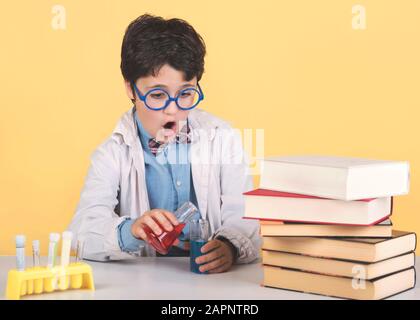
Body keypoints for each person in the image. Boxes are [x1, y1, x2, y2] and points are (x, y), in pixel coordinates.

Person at [68, 14, 260, 273]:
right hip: (142, 284)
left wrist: (229, 246)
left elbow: (246, 216)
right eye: (158, 95)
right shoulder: (111, 154)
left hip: (213, 286)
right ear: (131, 89)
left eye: (186, 93)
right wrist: (131, 230)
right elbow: (81, 232)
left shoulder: (223, 138)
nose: (173, 110)